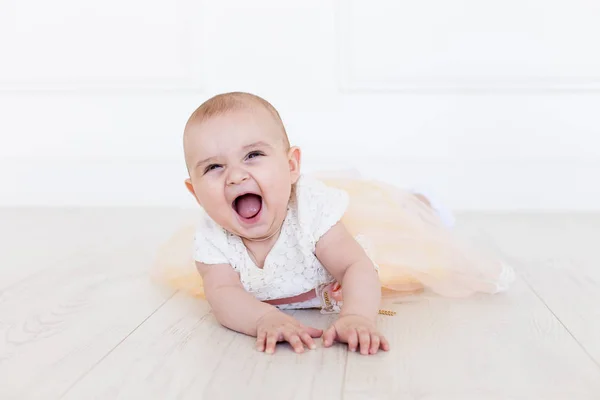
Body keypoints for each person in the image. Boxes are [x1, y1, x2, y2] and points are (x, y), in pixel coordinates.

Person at [153, 92, 514, 356]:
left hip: (340, 269)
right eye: (213, 167)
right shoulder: (213, 237)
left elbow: (355, 266)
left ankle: (421, 203)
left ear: (292, 166)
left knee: (404, 239)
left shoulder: (311, 211)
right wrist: (264, 319)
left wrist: (358, 316)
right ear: (195, 192)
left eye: (254, 155)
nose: (235, 176)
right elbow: (223, 295)